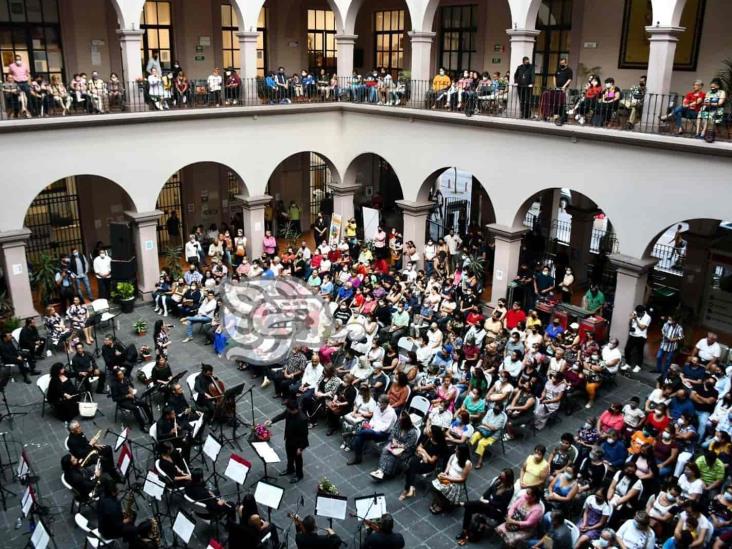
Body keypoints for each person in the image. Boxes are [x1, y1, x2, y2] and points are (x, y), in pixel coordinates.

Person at [456, 468, 514, 544]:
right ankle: (464, 530)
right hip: (486, 505)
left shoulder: (509, 490)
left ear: (507, 479)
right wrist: (483, 497)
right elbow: (490, 490)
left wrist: (488, 501)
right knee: (469, 508)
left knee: (479, 504)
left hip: (496, 511)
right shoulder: (498, 480)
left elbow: (501, 504)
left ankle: (463, 503)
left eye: (502, 476)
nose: (500, 477)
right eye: (500, 475)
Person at [265, 398, 309, 484]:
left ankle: (299, 475)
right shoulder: (289, 411)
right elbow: (281, 416)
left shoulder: (302, 419)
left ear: (293, 409)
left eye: (288, 408)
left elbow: (304, 435)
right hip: (289, 438)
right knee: (289, 455)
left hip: (297, 443)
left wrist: (300, 448)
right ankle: (290, 469)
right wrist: (271, 421)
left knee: (298, 459)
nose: (287, 410)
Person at [347, 394, 397, 465]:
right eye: (378, 402)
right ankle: (358, 458)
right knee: (359, 437)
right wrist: (370, 426)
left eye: (380, 403)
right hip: (371, 430)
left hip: (383, 434)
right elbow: (373, 419)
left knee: (365, 432)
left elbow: (385, 428)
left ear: (386, 404)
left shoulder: (391, 413)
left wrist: (373, 429)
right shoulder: (377, 407)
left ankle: (354, 433)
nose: (378, 404)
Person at [430, 443, 473, 514]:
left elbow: (462, 478)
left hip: (455, 483)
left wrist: (447, 478)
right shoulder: (454, 455)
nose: (455, 449)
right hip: (447, 478)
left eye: (457, 449)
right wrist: (445, 473)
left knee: (441, 488)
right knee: (433, 486)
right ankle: (439, 501)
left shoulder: (467, 463)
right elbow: (449, 464)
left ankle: (441, 505)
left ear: (461, 452)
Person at [625, 305, 651, 374]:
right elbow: (630, 323)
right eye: (637, 313)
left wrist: (636, 319)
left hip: (641, 337)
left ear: (643, 312)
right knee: (627, 349)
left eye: (639, 313)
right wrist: (631, 319)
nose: (637, 314)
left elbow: (642, 327)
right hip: (632, 335)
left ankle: (638, 366)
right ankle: (628, 363)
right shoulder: (635, 313)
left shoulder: (647, 317)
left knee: (639, 352)